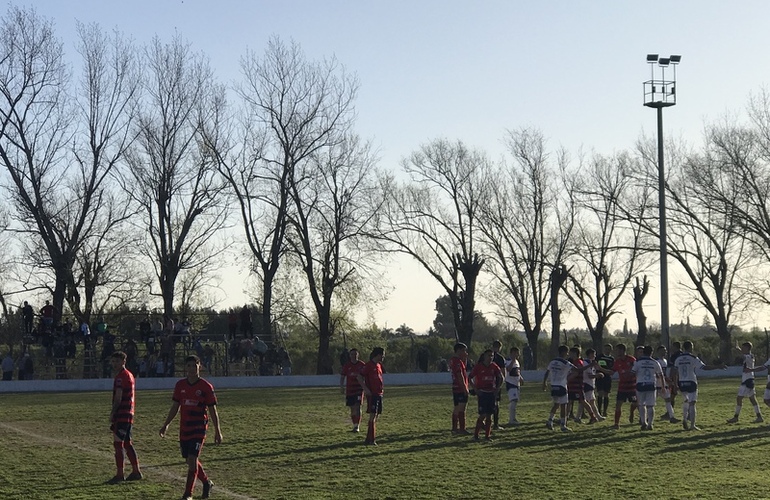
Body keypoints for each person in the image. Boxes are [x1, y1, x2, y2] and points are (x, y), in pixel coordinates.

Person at [160, 355, 222, 500]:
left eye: (195, 365)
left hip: (199, 428)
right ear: (185, 368)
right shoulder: (180, 385)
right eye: (189, 366)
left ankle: (188, 494)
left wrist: (217, 430)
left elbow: (213, 410)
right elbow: (175, 406)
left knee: (193, 458)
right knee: (189, 460)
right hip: (184, 428)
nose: (192, 368)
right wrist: (166, 424)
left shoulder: (206, 387)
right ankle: (206, 482)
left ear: (200, 366)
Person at [673, 340, 725, 431]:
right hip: (691, 381)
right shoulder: (693, 358)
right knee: (692, 403)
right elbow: (704, 367)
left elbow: (674, 372)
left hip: (681, 382)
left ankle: (684, 419)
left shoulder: (678, 358)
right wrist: (718, 366)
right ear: (690, 347)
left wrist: (675, 384)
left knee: (685, 401)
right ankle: (692, 425)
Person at [108, 351, 143, 483]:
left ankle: (120, 474)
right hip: (129, 413)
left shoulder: (120, 377)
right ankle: (136, 471)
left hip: (122, 413)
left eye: (117, 361)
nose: (114, 364)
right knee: (127, 443)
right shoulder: (130, 375)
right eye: (113, 361)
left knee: (118, 444)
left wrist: (113, 413)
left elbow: (118, 397)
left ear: (124, 361)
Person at [543, 345, 587, 432]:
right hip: (562, 386)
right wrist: (590, 365)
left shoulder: (552, 361)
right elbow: (577, 370)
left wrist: (544, 382)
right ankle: (563, 425)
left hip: (553, 386)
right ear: (563, 352)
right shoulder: (565, 362)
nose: (568, 354)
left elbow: (547, 372)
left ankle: (550, 421)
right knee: (564, 406)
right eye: (567, 352)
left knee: (556, 405)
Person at [596, 343, 637, 430]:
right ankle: (616, 424)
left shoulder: (631, 359)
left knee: (635, 403)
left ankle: (632, 412)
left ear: (622, 350)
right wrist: (600, 369)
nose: (616, 352)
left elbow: (636, 369)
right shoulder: (617, 362)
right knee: (618, 405)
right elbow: (611, 372)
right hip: (622, 386)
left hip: (632, 386)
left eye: (617, 350)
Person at [470, 349, 504, 441]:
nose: (490, 357)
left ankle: (487, 436)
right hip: (482, 393)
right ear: (484, 356)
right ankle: (476, 435)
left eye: (492, 356)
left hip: (491, 393)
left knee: (489, 415)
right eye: (489, 355)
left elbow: (501, 377)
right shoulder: (478, 367)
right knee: (483, 414)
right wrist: (475, 389)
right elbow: (470, 378)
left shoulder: (494, 366)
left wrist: (497, 388)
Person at [726, 342, 764, 424]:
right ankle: (759, 416)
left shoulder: (748, 356)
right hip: (749, 380)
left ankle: (736, 417)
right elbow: (744, 355)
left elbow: (743, 356)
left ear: (747, 348)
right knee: (752, 399)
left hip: (747, 381)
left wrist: (737, 350)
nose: (742, 349)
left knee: (739, 398)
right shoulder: (750, 356)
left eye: (743, 348)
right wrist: (739, 349)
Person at [632, 345, 665, 431]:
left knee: (641, 405)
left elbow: (633, 372)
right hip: (651, 385)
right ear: (651, 352)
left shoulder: (638, 362)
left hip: (640, 385)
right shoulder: (655, 362)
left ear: (643, 352)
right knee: (650, 406)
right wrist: (663, 386)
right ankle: (650, 424)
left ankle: (643, 422)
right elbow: (661, 375)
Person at [357, 347, 385, 445]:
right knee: (372, 415)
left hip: (379, 393)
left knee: (376, 416)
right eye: (382, 355)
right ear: (378, 355)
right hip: (372, 394)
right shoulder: (368, 365)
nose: (383, 357)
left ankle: (369, 438)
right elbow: (359, 377)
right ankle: (371, 439)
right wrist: (365, 389)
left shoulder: (379, 365)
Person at [340, 348, 366, 432]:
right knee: (352, 408)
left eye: (355, 354)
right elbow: (342, 376)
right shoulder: (347, 365)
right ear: (349, 355)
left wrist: (365, 386)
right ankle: (354, 424)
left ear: (358, 355)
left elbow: (366, 376)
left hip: (359, 389)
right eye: (352, 354)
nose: (354, 356)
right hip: (350, 389)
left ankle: (357, 426)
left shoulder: (362, 365)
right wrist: (341, 387)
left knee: (358, 406)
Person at [449, 342, 470, 434]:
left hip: (455, 387)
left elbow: (463, 368)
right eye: (464, 351)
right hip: (460, 388)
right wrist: (465, 387)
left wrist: (465, 359)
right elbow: (459, 374)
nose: (465, 352)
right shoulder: (457, 362)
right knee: (462, 408)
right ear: (459, 350)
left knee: (456, 408)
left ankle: (454, 428)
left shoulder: (453, 360)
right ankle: (462, 428)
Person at [654, 345, 679, 423]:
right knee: (652, 402)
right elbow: (657, 373)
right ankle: (646, 418)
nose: (665, 352)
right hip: (656, 384)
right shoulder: (656, 361)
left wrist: (668, 380)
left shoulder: (665, 361)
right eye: (663, 350)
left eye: (665, 350)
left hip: (664, 384)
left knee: (668, 400)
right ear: (658, 351)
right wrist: (666, 379)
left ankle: (671, 417)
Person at [504, 346, 524, 426]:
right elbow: (508, 369)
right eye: (515, 353)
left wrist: (520, 378)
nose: (517, 355)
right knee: (513, 400)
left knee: (515, 401)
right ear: (512, 353)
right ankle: (511, 420)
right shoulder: (507, 361)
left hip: (516, 384)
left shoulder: (517, 361)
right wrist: (512, 361)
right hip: (510, 383)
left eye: (518, 353)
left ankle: (513, 418)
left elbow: (517, 371)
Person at [595, 343, 614, 418]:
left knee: (606, 394)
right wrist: (603, 370)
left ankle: (605, 411)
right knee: (600, 393)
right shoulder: (599, 357)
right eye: (606, 349)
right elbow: (596, 366)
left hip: (607, 378)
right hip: (600, 377)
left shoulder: (612, 359)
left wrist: (607, 371)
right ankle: (599, 410)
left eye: (609, 349)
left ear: (611, 350)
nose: (607, 350)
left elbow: (612, 370)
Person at [491, 340, 506, 429]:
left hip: (486, 382)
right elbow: (503, 372)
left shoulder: (485, 355)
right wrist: (501, 383)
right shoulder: (500, 358)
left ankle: (483, 422)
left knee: (486, 402)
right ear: (500, 348)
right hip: (496, 383)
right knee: (496, 403)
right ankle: (495, 424)